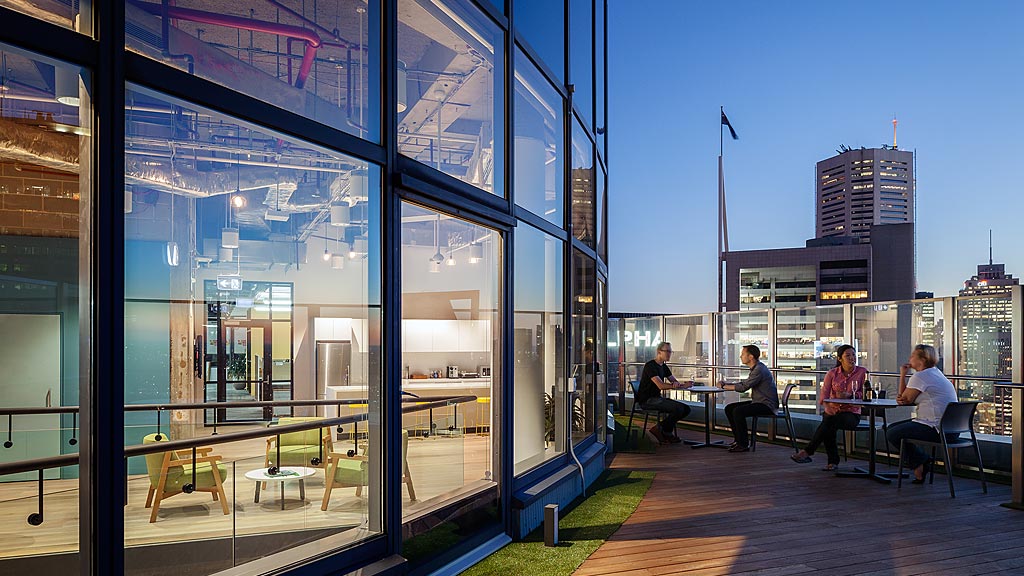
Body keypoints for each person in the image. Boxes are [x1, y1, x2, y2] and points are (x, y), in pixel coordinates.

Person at [885, 344, 959, 483]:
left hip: (936, 429)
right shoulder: (935, 372)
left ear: (922, 360)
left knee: (891, 433)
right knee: (892, 429)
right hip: (952, 430)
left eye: (913, 356)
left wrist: (902, 375)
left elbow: (904, 400)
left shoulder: (921, 376)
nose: (909, 358)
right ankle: (920, 463)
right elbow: (904, 398)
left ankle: (921, 462)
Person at [790, 344, 868, 471]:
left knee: (828, 422)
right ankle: (830, 462)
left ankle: (810, 452)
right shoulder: (832, 374)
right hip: (833, 410)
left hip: (851, 413)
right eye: (847, 355)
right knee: (829, 422)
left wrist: (850, 395)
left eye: (853, 355)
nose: (852, 358)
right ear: (840, 359)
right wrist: (828, 407)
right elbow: (823, 397)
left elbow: (866, 394)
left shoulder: (862, 372)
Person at [721, 345, 779, 453]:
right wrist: (727, 384)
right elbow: (745, 383)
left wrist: (723, 386)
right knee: (730, 408)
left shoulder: (759, 370)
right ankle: (738, 441)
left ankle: (743, 444)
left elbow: (743, 387)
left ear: (751, 357)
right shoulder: (757, 368)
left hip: (766, 405)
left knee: (738, 411)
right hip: (760, 402)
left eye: (743, 354)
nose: (740, 356)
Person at [636, 342, 692, 444]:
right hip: (647, 400)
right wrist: (675, 385)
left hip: (657, 398)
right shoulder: (650, 366)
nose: (669, 354)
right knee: (678, 408)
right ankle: (665, 432)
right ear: (659, 352)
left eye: (670, 351)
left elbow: (674, 382)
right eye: (667, 351)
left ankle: (662, 429)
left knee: (686, 409)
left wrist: (684, 385)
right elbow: (661, 385)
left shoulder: (664, 367)